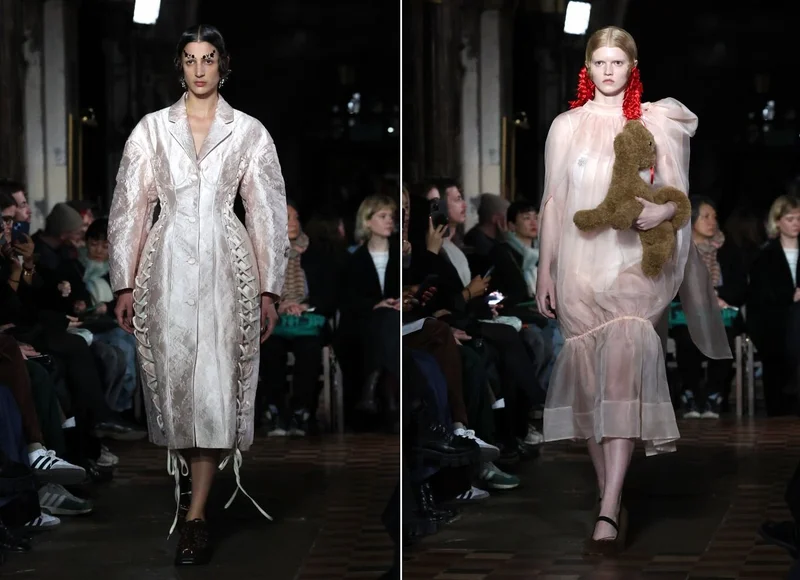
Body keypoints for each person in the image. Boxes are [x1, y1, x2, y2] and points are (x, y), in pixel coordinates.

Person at [535, 26, 730, 555]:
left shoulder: (653, 121)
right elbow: (553, 202)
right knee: (591, 385)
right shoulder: (566, 126)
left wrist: (661, 212)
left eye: (617, 62)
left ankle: (607, 506)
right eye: (600, 61)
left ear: (632, 68)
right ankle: (611, 494)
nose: (608, 71)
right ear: (587, 67)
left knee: (620, 375)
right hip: (578, 267)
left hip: (631, 268)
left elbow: (677, 196)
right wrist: (545, 270)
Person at [108, 24, 288, 566]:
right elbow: (130, 206)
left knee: (215, 385)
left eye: (208, 58)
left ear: (223, 64)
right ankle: (193, 484)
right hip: (164, 266)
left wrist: (269, 288)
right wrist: (123, 281)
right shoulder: (151, 129)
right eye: (190, 59)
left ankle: (197, 516)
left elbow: (267, 211)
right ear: (180, 66)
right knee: (176, 386)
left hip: (228, 267)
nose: (200, 68)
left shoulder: (249, 131)